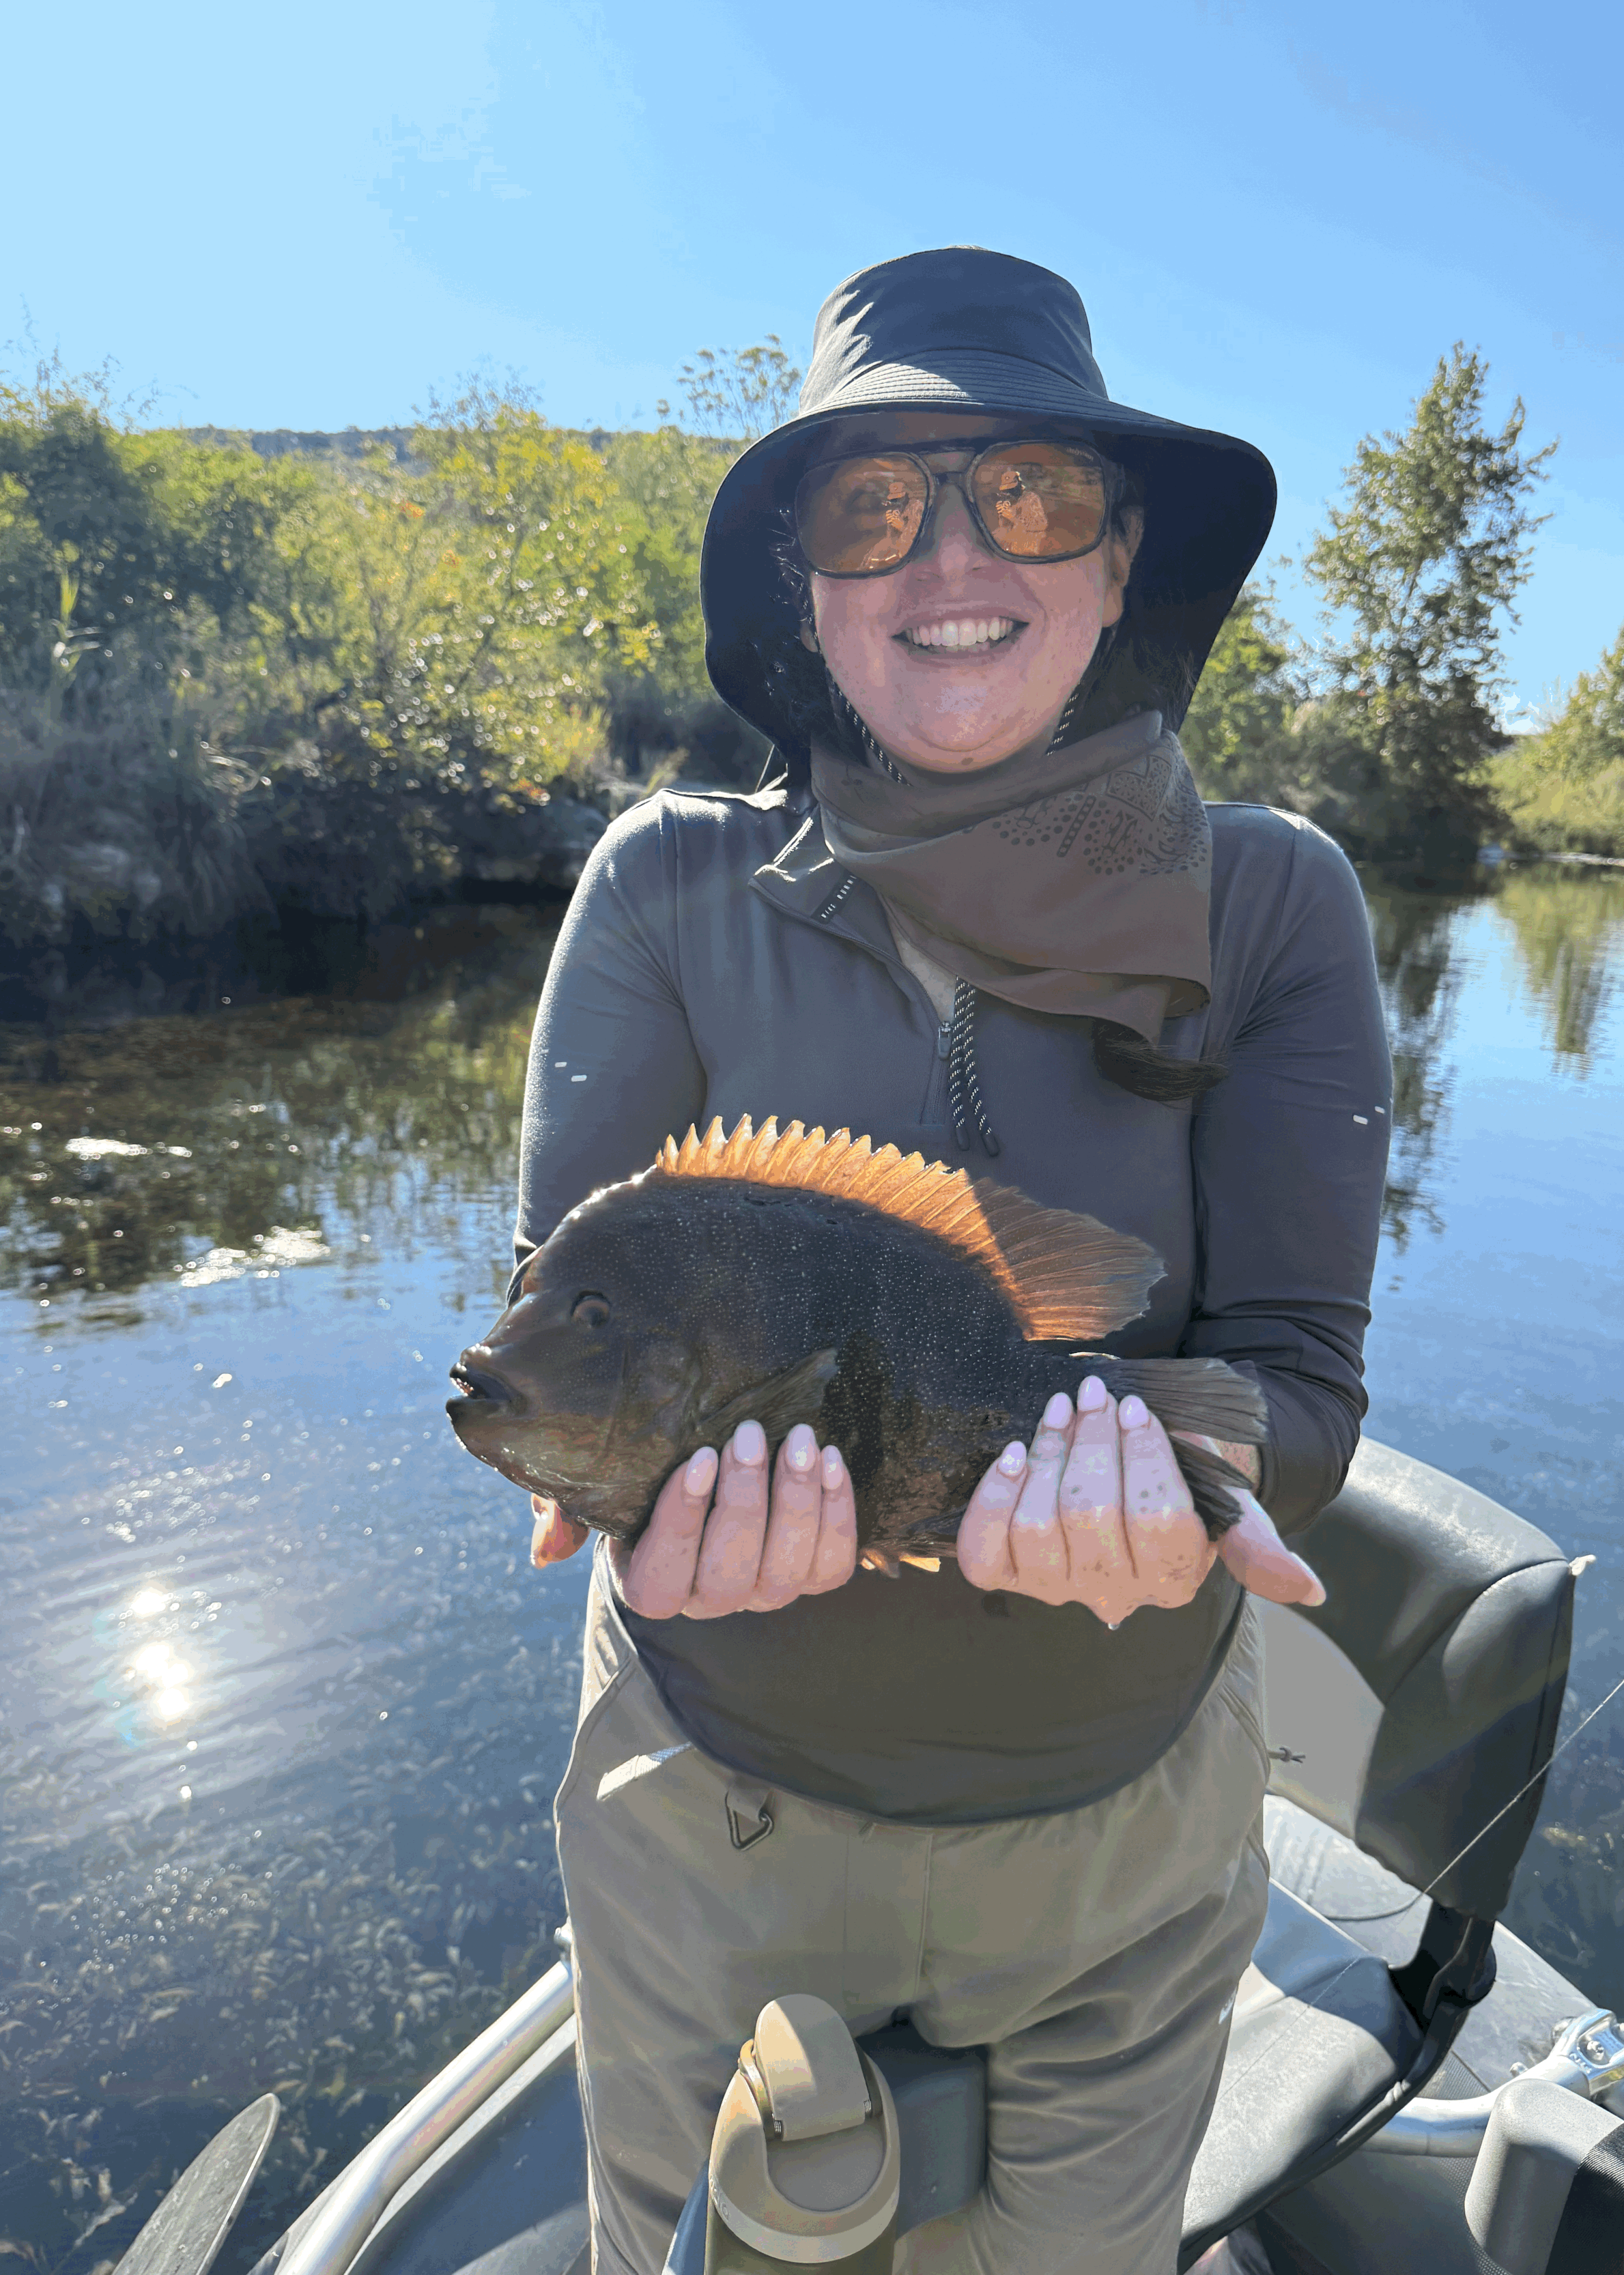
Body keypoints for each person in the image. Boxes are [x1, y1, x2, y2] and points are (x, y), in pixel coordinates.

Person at [510, 248, 1392, 2275]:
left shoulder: (1276, 906)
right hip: (711, 1823)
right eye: (872, 506)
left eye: (1032, 493)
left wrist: (1201, 1482)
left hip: (1123, 1847)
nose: (952, 557)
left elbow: (1295, 1380)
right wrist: (608, 1513)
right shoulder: (664, 887)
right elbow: (571, 1328)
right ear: (805, 581)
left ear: (1121, 554)